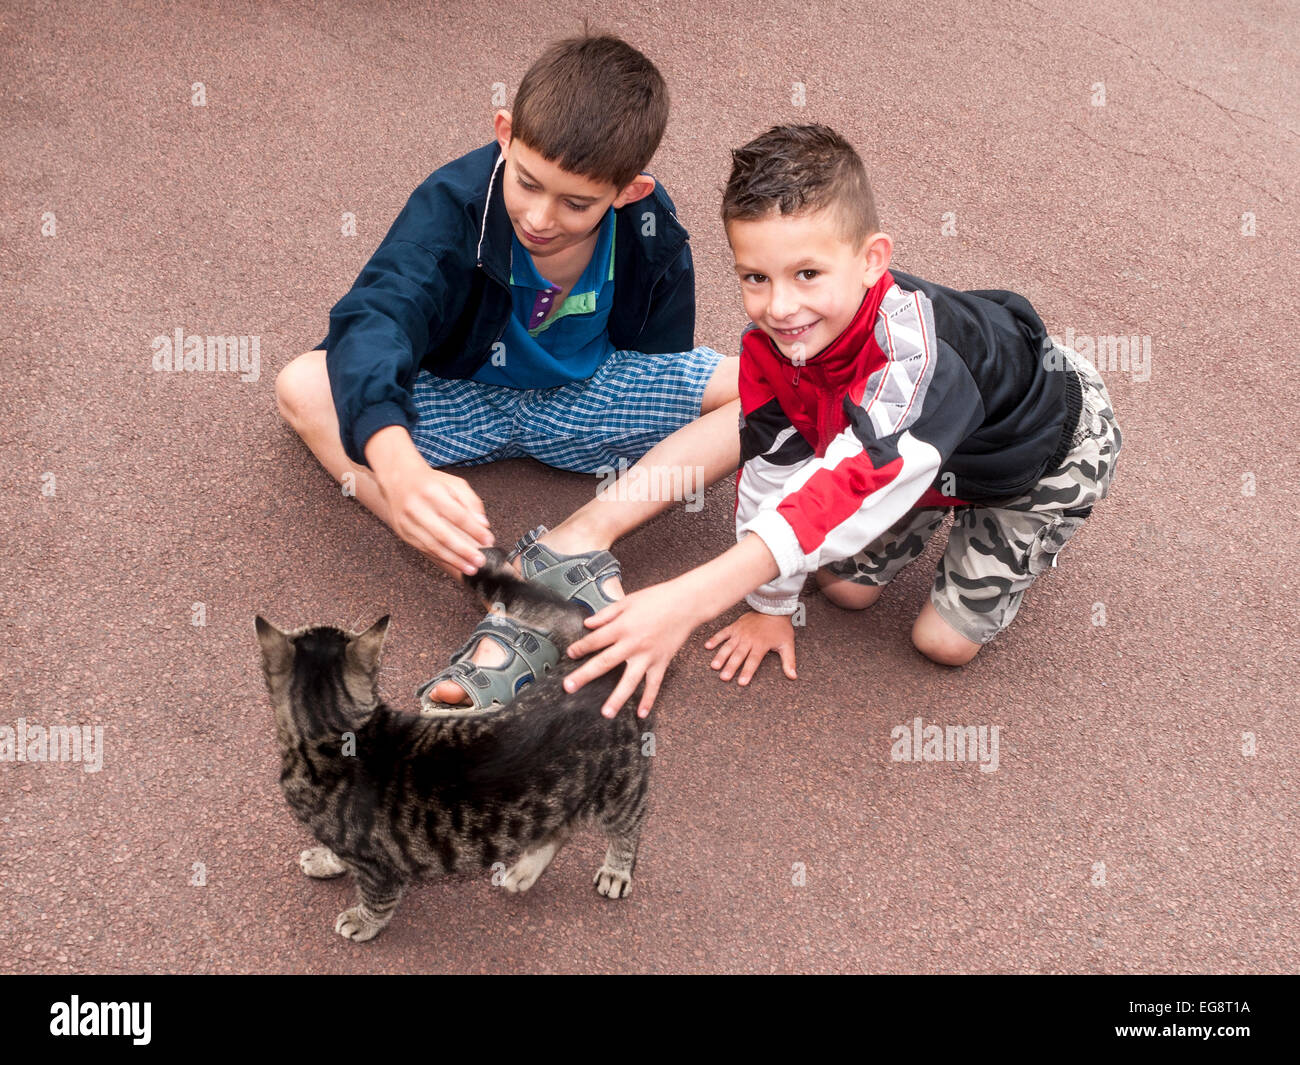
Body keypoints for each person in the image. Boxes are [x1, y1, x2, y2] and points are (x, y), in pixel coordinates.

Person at [561, 123, 1122, 719]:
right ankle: (928, 494)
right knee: (844, 590)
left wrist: (687, 600)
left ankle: (1019, 527)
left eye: (807, 274)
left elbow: (846, 484)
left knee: (942, 644)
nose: (779, 308)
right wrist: (772, 606)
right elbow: (771, 469)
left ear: (871, 260)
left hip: (1048, 454)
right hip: (927, 455)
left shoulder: (916, 362)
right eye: (756, 278)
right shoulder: (777, 345)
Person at [274, 30, 741, 711]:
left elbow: (661, 357)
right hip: (461, 396)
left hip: (582, 395)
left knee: (768, 388)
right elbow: (376, 317)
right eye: (527, 182)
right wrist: (398, 468)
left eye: (576, 203)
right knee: (302, 385)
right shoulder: (452, 205)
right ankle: (502, 584)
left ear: (627, 190)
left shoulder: (650, 227)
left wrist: (658, 419)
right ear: (504, 134)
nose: (540, 216)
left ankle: (577, 542)